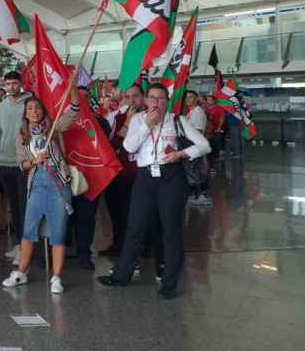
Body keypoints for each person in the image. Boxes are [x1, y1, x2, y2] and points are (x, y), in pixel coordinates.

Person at [98, 83, 210, 299]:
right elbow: (129, 147)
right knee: (135, 227)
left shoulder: (178, 120)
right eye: (152, 98)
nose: (156, 102)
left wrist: (181, 154)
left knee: (171, 230)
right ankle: (122, 275)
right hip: (145, 177)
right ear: (146, 100)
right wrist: (147, 125)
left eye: (160, 98)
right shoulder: (139, 120)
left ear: (167, 101)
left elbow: (204, 145)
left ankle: (169, 282)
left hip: (172, 178)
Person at [1, 86, 80, 294]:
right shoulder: (22, 135)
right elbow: (21, 164)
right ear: (25, 113)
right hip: (36, 184)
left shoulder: (54, 126)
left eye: (37, 108)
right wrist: (34, 161)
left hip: (58, 184)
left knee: (58, 231)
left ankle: (56, 277)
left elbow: (73, 110)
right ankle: (20, 272)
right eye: (30, 109)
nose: (34, 111)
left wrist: (72, 90)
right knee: (29, 229)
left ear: (43, 110)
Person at [0, 71, 32, 265]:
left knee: (25, 204)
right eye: (8, 84)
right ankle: (19, 243)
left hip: (25, 161)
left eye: (15, 83)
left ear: (21, 84)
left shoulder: (30, 102)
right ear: (4, 85)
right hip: (4, 162)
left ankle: (26, 247)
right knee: (14, 206)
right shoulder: (0, 107)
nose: (12, 87)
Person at [68, 86, 109, 271]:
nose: (80, 100)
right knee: (65, 217)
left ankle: (84, 254)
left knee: (86, 217)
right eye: (77, 97)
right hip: (66, 175)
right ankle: (63, 251)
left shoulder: (100, 121)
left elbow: (105, 146)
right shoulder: (61, 120)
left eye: (84, 97)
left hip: (91, 176)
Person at [101, 84, 145, 257]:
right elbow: (111, 145)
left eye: (136, 96)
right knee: (117, 211)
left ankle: (143, 246)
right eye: (128, 97)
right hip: (119, 173)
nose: (132, 100)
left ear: (143, 97)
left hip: (141, 174)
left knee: (138, 213)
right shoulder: (116, 117)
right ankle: (118, 243)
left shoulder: (151, 117)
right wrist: (126, 123)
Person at [183, 91, 211, 206]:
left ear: (196, 99)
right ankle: (196, 196)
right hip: (191, 147)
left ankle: (200, 197)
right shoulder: (191, 112)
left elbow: (198, 132)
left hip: (195, 147)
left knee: (196, 173)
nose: (189, 99)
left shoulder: (198, 112)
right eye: (187, 97)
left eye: (191, 97)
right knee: (193, 172)